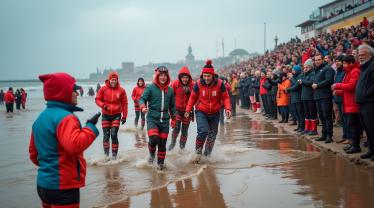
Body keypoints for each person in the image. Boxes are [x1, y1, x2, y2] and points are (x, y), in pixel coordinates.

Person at [29, 72, 100, 208]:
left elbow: (33, 154)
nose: (77, 93)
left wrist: (50, 167)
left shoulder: (40, 118)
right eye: (74, 90)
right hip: (63, 187)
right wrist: (90, 127)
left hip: (43, 185)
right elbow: (75, 145)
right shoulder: (66, 118)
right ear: (63, 92)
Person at [185, 60, 231, 162]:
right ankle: (197, 153)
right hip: (201, 112)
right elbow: (192, 98)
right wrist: (188, 110)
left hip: (215, 113)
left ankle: (207, 155)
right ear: (202, 75)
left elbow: (226, 97)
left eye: (208, 76)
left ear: (213, 75)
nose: (206, 78)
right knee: (203, 131)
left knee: (212, 135)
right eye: (204, 76)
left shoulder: (219, 84)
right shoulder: (198, 84)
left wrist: (228, 109)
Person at [139, 66, 176, 170]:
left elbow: (172, 106)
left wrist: (174, 119)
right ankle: (151, 156)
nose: (163, 77)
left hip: (164, 119)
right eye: (161, 75)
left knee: (162, 143)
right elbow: (142, 99)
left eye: (165, 75)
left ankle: (160, 166)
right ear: (157, 76)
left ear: (167, 77)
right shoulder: (150, 87)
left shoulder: (170, 90)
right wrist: (143, 107)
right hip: (152, 118)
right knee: (154, 138)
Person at [332, 55, 362, 154]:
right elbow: (347, 88)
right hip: (348, 103)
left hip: (353, 103)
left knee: (354, 125)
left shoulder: (355, 71)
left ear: (351, 63)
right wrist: (339, 92)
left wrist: (338, 85)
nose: (343, 65)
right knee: (350, 124)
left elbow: (352, 86)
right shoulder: (348, 71)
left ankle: (355, 145)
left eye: (345, 63)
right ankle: (353, 144)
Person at [95, 72, 128, 160]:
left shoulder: (121, 90)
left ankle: (114, 157)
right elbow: (97, 99)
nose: (113, 81)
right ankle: (106, 157)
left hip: (116, 115)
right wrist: (103, 105)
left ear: (117, 80)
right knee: (106, 135)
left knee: (113, 134)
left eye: (115, 80)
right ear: (109, 80)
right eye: (112, 80)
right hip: (105, 115)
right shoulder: (103, 89)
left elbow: (125, 103)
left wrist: (124, 116)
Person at [355, 45, 374, 160]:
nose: (360, 57)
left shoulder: (372, 66)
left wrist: (366, 93)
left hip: (370, 102)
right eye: (359, 55)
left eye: (363, 55)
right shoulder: (364, 67)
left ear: (370, 55)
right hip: (362, 103)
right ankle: (371, 150)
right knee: (367, 128)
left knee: (372, 128)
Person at [169, 66, 194, 151]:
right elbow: (169, 96)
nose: (185, 79)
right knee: (177, 127)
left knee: (185, 130)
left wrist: (189, 92)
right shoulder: (175, 84)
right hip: (177, 110)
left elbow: (196, 98)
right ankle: (172, 144)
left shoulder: (192, 85)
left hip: (188, 111)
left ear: (189, 78)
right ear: (180, 77)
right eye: (183, 77)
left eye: (186, 77)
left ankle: (182, 149)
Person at [313, 54, 335, 143]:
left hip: (326, 96)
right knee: (322, 117)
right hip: (317, 96)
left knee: (327, 116)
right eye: (316, 60)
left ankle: (329, 135)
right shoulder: (316, 70)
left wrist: (318, 85)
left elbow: (329, 80)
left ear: (323, 60)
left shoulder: (328, 68)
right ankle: (324, 134)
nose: (317, 61)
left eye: (319, 59)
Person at [299, 59, 318, 135]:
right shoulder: (304, 74)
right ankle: (307, 128)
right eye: (304, 67)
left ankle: (314, 129)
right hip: (304, 96)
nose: (305, 69)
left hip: (310, 97)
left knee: (312, 113)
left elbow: (311, 82)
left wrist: (303, 81)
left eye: (307, 67)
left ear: (311, 67)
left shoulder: (312, 73)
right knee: (306, 113)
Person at [286, 65, 305, 132]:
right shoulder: (294, 77)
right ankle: (299, 126)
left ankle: (302, 126)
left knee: (300, 112)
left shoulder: (300, 76)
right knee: (296, 112)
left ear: (297, 70)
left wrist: (288, 89)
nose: (292, 71)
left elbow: (296, 86)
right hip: (293, 96)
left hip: (298, 96)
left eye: (294, 70)